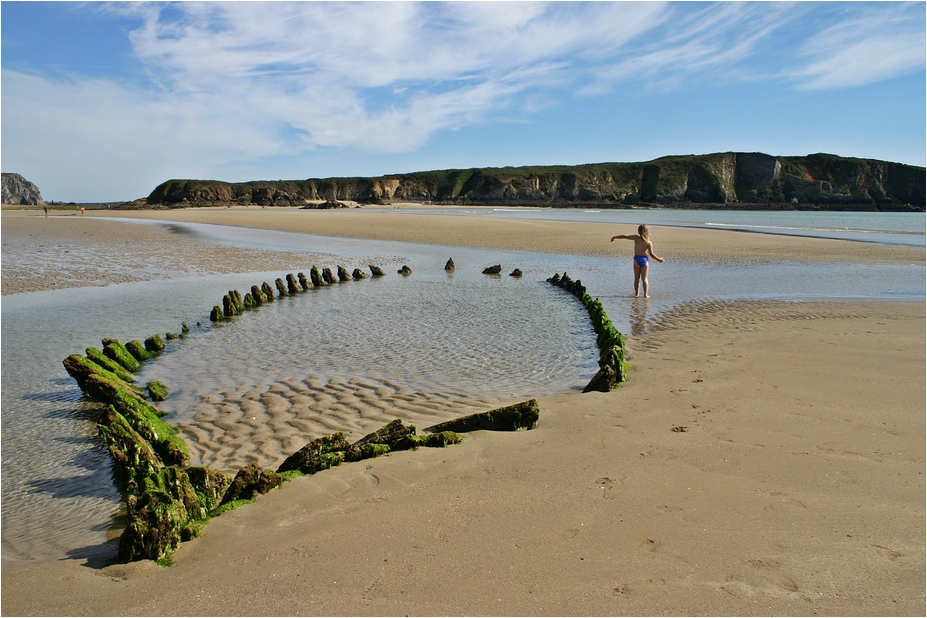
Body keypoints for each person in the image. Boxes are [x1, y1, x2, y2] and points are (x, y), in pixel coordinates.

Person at [610, 224, 665, 298]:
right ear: (647, 232)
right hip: (644, 260)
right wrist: (659, 259)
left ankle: (637, 294)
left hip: (636, 259)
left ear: (639, 231)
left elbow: (625, 236)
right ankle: (646, 294)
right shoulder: (648, 242)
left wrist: (615, 237)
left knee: (636, 278)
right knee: (645, 279)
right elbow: (651, 254)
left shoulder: (636, 238)